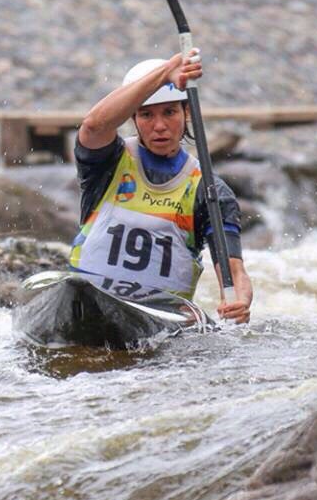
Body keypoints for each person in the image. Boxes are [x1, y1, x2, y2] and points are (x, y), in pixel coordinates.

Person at [69, 52, 253, 323]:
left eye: (169, 112)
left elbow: (235, 272)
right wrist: (168, 71)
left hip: (158, 315)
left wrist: (239, 302)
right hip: (90, 298)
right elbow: (94, 124)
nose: (159, 126)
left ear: (186, 112)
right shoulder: (106, 162)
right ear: (133, 118)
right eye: (146, 115)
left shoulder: (209, 190)